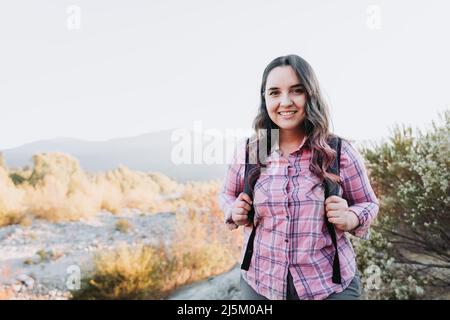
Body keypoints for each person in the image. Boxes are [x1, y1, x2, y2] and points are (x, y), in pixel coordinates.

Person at [218, 54, 379, 300]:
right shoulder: (250, 150)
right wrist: (234, 210)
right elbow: (227, 194)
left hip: (328, 285)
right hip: (261, 286)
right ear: (265, 99)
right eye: (274, 92)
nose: (285, 101)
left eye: (296, 90)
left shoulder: (339, 151)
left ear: (311, 95)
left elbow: (369, 203)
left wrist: (350, 218)